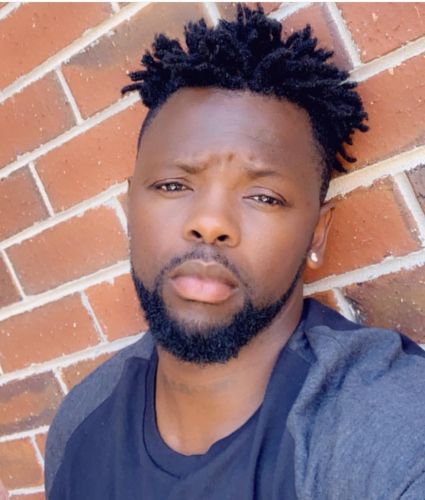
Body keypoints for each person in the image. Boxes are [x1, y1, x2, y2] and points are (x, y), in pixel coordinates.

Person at [45, 5, 425, 499]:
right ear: (130, 209)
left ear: (316, 234)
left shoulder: (388, 430)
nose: (211, 223)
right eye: (173, 185)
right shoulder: (78, 427)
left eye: (264, 197)